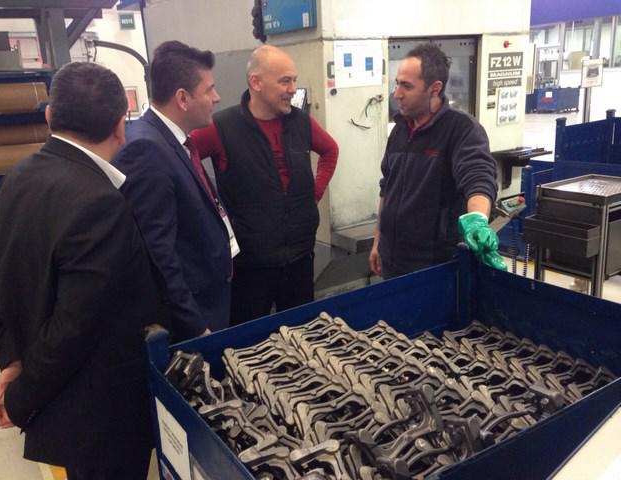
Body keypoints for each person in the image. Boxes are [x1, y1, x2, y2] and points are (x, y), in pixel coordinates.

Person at [0, 62, 167, 479]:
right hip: (100, 418)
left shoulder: (15, 179)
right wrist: (19, 398)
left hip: (60, 405)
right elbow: (75, 325)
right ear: (120, 126)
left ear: (49, 116)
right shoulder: (100, 202)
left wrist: (13, 361)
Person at [191, 45, 339, 326]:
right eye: (285, 81)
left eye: (294, 80)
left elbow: (330, 150)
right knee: (249, 339)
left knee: (302, 333)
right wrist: (212, 210)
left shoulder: (301, 123)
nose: (293, 89)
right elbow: (184, 158)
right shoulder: (222, 127)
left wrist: (313, 195)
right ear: (256, 82)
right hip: (251, 265)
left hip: (299, 257)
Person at [113, 41, 233, 341]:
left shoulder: (174, 141)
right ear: (182, 98)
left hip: (211, 299)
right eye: (209, 90)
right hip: (192, 320)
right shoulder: (147, 149)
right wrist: (196, 326)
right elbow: (159, 255)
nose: (217, 97)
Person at [369, 43, 506, 278]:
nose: (396, 93)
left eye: (406, 86)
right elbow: (387, 189)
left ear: (435, 88)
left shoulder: (461, 129)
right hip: (393, 260)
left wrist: (477, 220)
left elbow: (478, 177)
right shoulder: (400, 130)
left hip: (434, 267)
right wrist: (378, 241)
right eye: (397, 83)